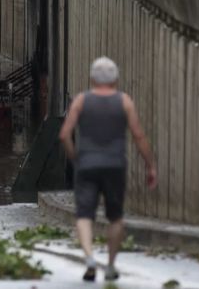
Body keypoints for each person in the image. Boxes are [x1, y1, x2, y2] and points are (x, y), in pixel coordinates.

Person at [58, 57, 156, 282]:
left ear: (92, 78)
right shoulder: (125, 102)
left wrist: (75, 158)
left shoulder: (81, 101)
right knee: (115, 217)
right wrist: (150, 165)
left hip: (87, 165)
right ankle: (110, 265)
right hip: (115, 165)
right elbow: (139, 136)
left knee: (84, 214)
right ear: (116, 79)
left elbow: (64, 134)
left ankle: (90, 258)